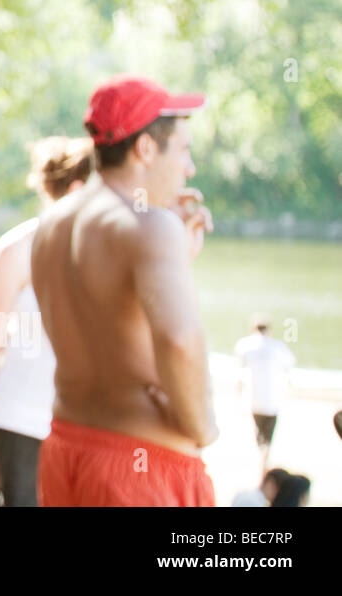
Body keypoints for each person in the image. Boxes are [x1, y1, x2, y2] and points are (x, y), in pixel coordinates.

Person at [32, 75, 216, 507]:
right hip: (141, 468)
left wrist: (174, 258)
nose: (188, 168)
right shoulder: (151, 227)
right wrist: (203, 426)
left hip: (67, 449)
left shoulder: (53, 224)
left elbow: (106, 317)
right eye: (184, 151)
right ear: (146, 148)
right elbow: (179, 342)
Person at [0, 137, 94, 507]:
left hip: (82, 429)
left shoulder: (103, 250)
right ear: (77, 189)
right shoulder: (17, 250)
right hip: (20, 425)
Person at [235, 315, 296, 469]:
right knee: (268, 434)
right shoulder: (277, 346)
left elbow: (239, 373)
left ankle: (262, 458)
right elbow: (289, 368)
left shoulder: (245, 345)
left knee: (259, 433)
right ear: (268, 330)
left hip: (253, 399)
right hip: (272, 400)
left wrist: (238, 393)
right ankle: (264, 459)